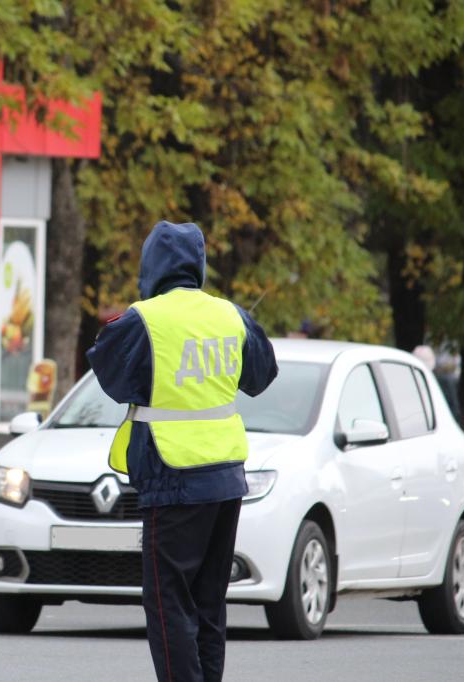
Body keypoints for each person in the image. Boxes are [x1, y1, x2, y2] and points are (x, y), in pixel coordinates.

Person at [87, 221, 278, 682]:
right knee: (208, 601)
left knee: (168, 600)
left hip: (173, 479)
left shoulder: (145, 318)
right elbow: (261, 375)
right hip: (226, 478)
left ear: (150, 265)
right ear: (199, 265)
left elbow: (110, 375)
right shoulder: (230, 315)